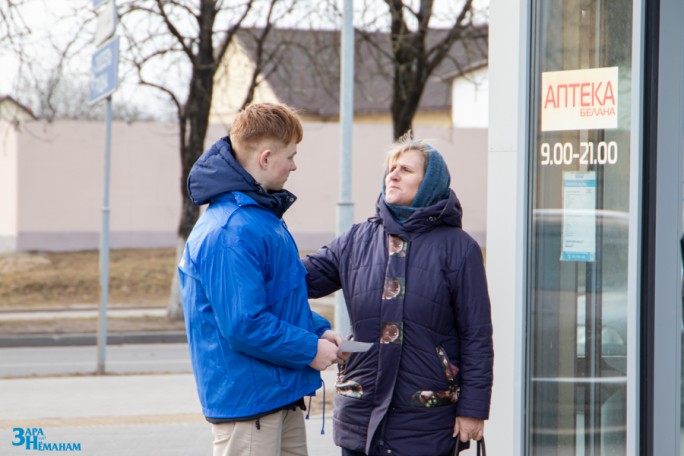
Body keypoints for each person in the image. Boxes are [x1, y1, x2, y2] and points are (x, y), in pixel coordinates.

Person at [303, 134, 494, 456]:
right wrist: (263, 241)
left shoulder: (459, 249)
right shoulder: (356, 239)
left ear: (430, 181)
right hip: (360, 412)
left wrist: (473, 409)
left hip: (427, 419)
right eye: (391, 168)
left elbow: (476, 336)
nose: (393, 174)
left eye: (405, 169)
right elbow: (295, 282)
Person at [178, 103, 343, 456]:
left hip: (276, 395)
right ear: (266, 158)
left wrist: (316, 330)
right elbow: (243, 324)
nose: (295, 165)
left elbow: (274, 301)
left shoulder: (258, 218)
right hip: (250, 404)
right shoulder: (230, 230)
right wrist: (309, 348)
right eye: (291, 156)